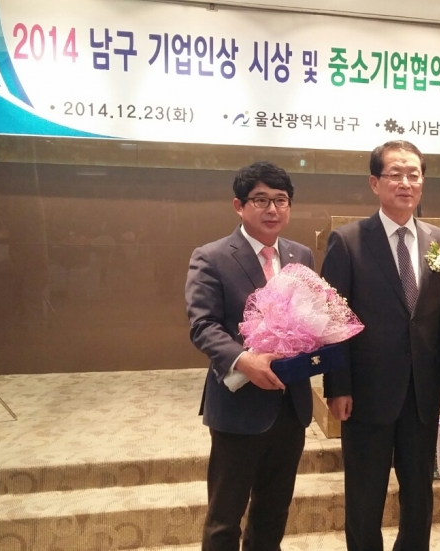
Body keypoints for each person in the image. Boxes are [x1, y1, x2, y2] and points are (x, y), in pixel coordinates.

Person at [320, 140, 440, 551]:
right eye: (395, 174)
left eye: (413, 174)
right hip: (367, 392)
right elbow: (333, 321)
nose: (405, 182)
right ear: (374, 183)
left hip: (422, 392)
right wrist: (337, 386)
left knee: (419, 494)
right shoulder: (347, 240)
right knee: (365, 495)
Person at [185, 161, 315, 551]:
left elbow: (309, 318)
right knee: (225, 517)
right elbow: (203, 325)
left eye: (281, 200)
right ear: (239, 206)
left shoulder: (301, 255)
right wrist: (245, 360)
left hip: (290, 404)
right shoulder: (211, 256)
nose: (272, 209)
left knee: (273, 511)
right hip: (239, 403)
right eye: (261, 200)